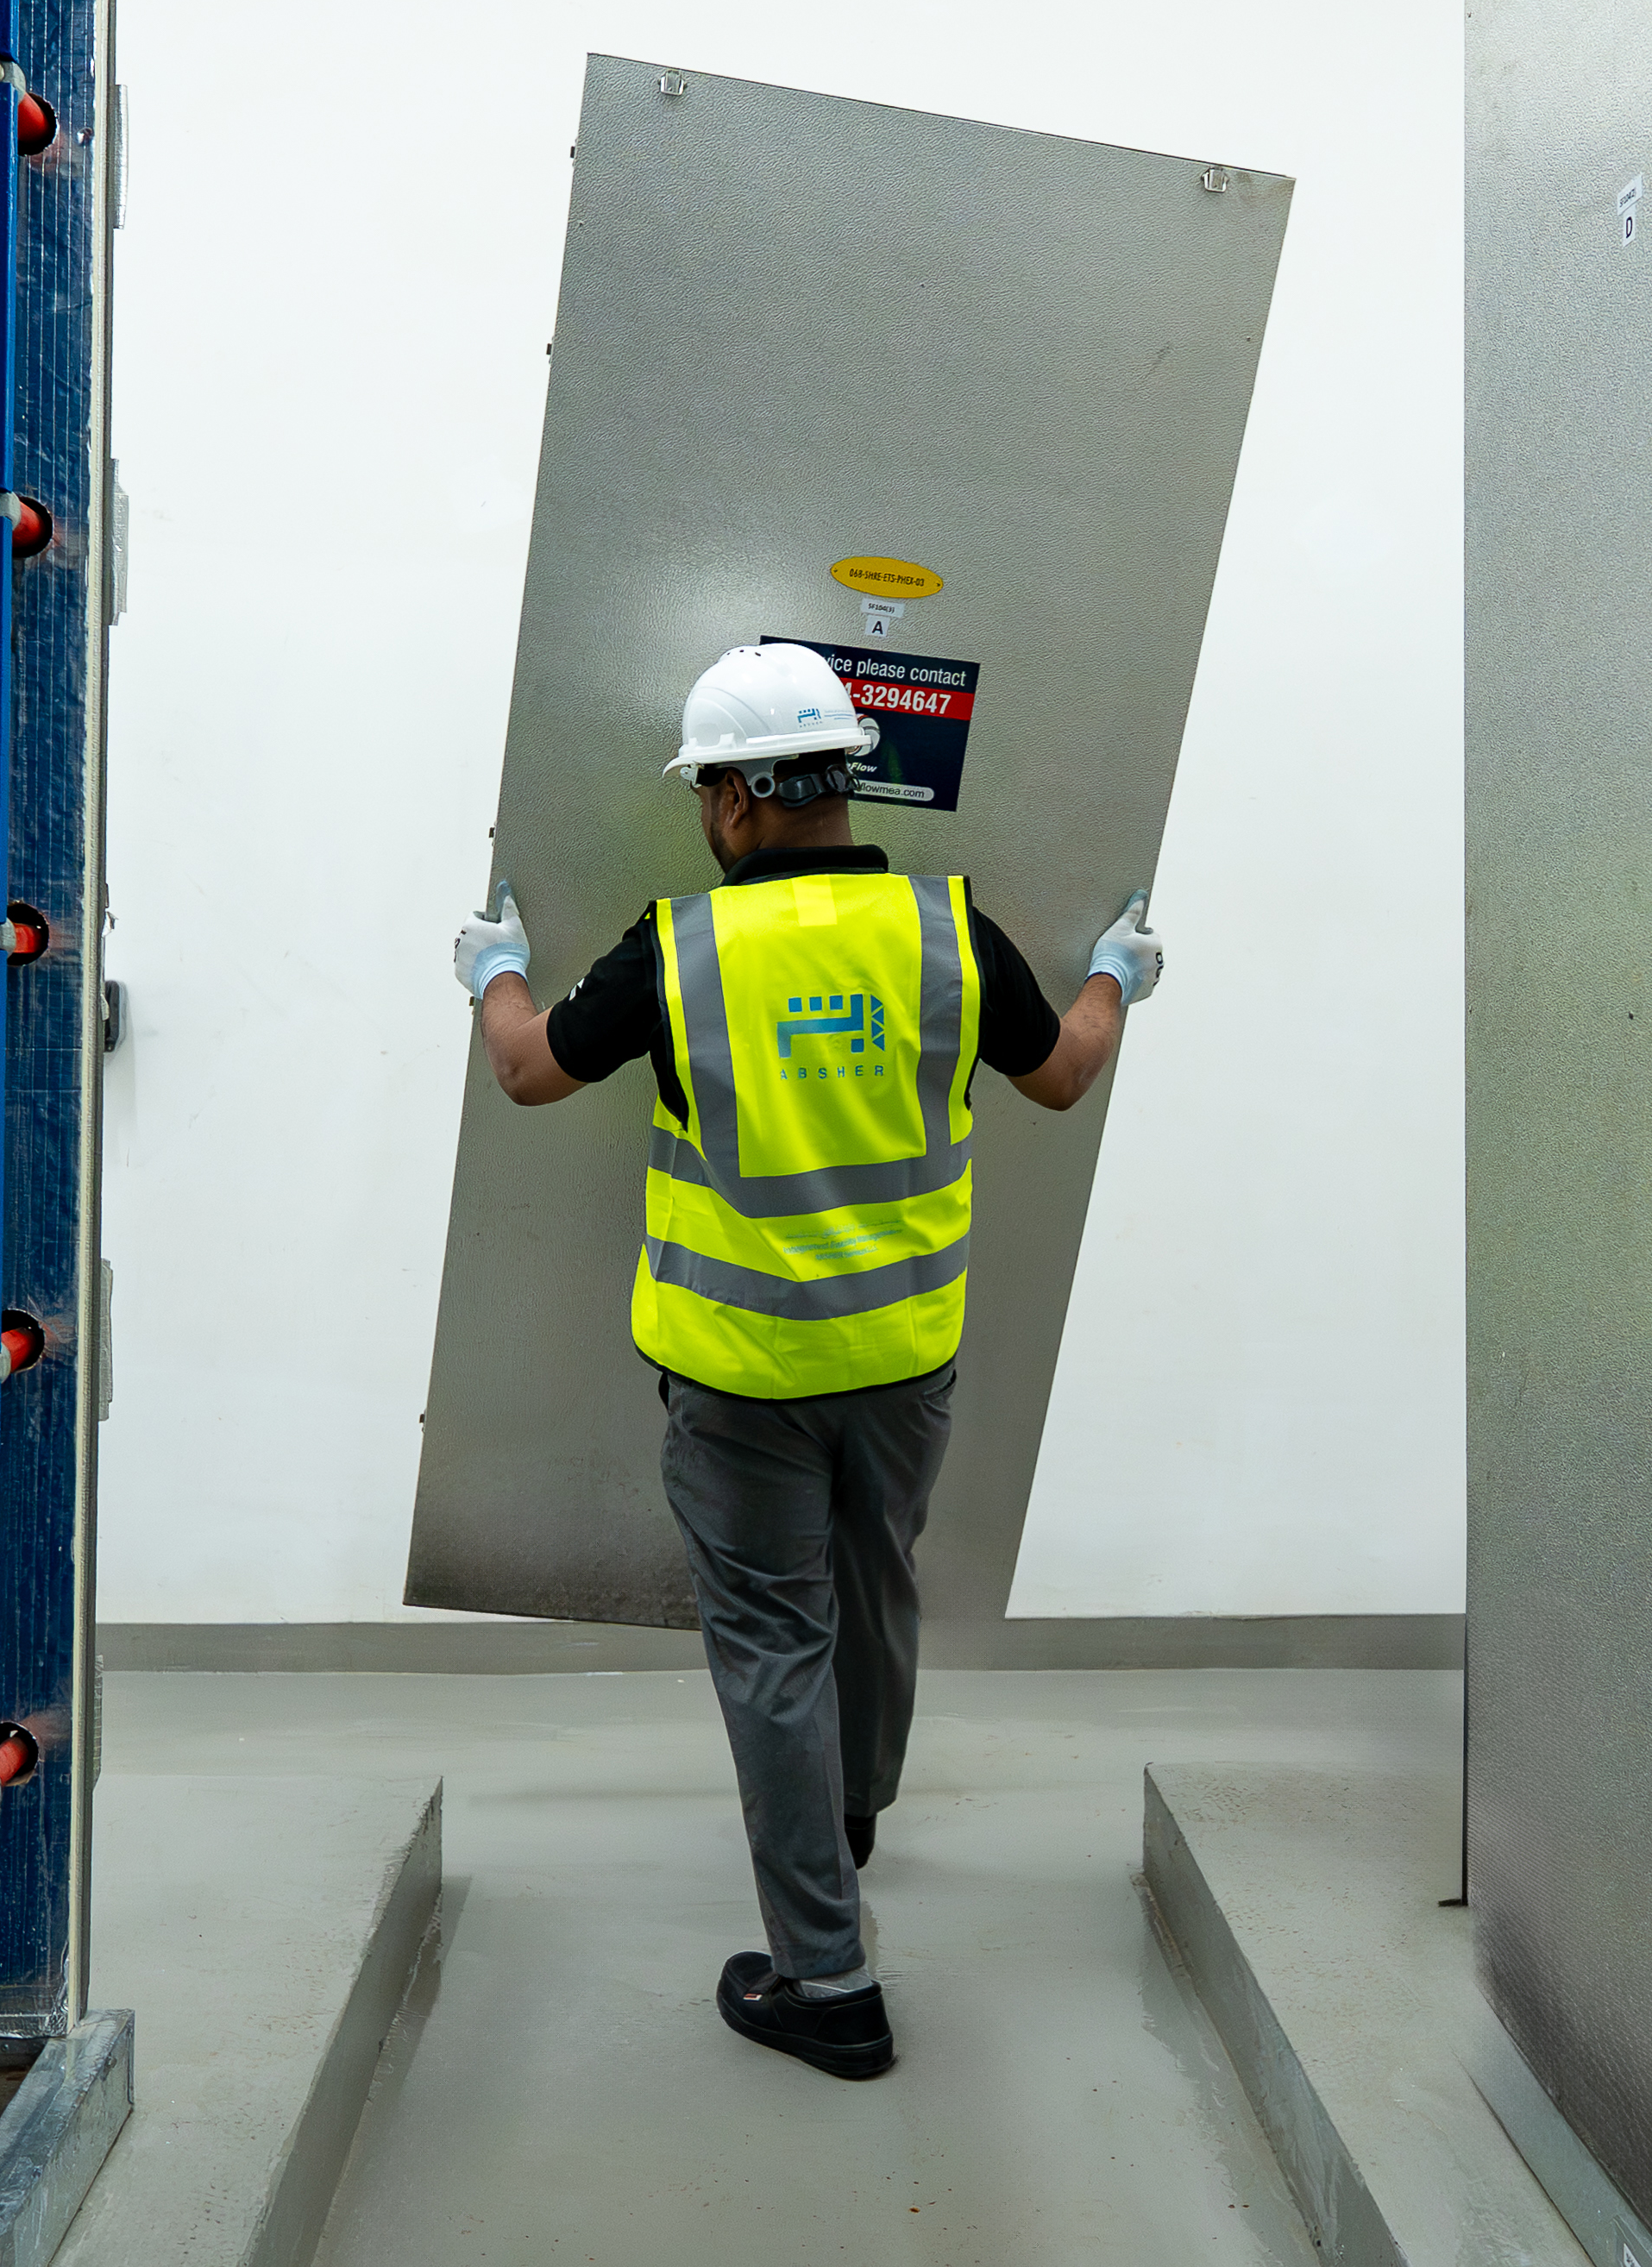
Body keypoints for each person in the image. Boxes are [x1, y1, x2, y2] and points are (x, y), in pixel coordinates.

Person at [449, 639, 1166, 2082]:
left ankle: (825, 1983)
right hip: (902, 1361)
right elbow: (1064, 1073)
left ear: (727, 804)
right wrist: (1113, 977)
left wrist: (499, 973)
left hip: (741, 1382)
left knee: (776, 1644)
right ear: (843, 779)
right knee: (876, 1583)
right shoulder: (944, 929)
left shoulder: (680, 947)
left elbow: (527, 1071)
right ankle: (849, 1816)